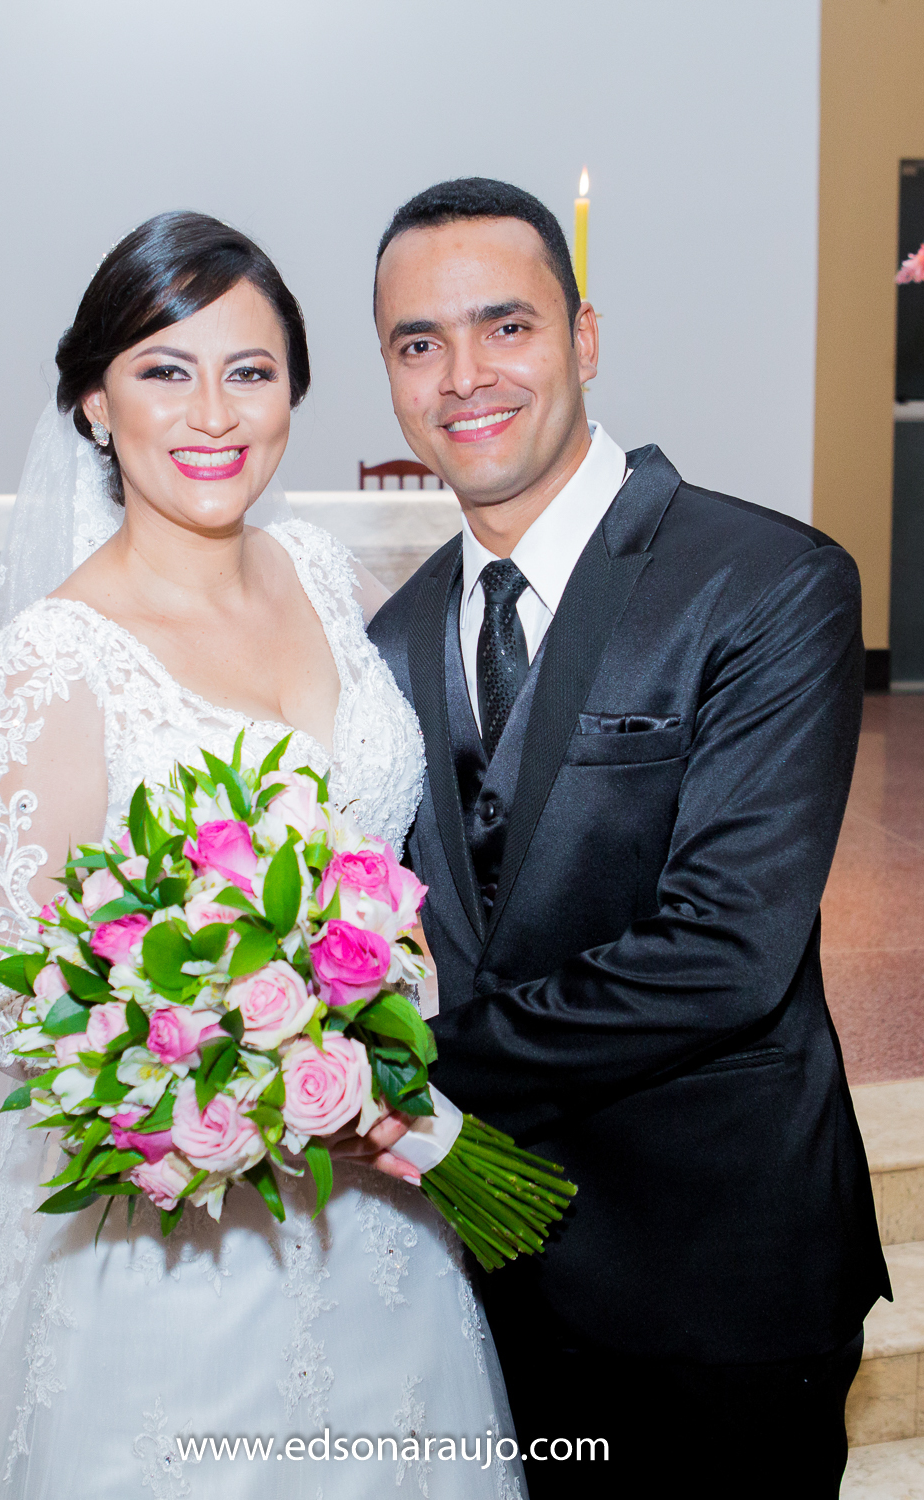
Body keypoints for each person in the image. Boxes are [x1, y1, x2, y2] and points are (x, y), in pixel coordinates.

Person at [0, 211, 525, 1500]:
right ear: (96, 403)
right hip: (190, 1260)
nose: (213, 412)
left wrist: (372, 1041)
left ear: (294, 396)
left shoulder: (323, 573)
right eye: (166, 369)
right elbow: (11, 1006)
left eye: (252, 371)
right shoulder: (53, 663)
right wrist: (257, 1080)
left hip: (390, 1218)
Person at [366, 178, 891, 1499]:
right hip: (488, 1279)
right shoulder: (387, 640)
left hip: (716, 1284)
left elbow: (723, 951)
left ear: (582, 339)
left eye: (506, 327)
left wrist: (410, 1075)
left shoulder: (766, 582)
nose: (463, 375)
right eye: (416, 343)